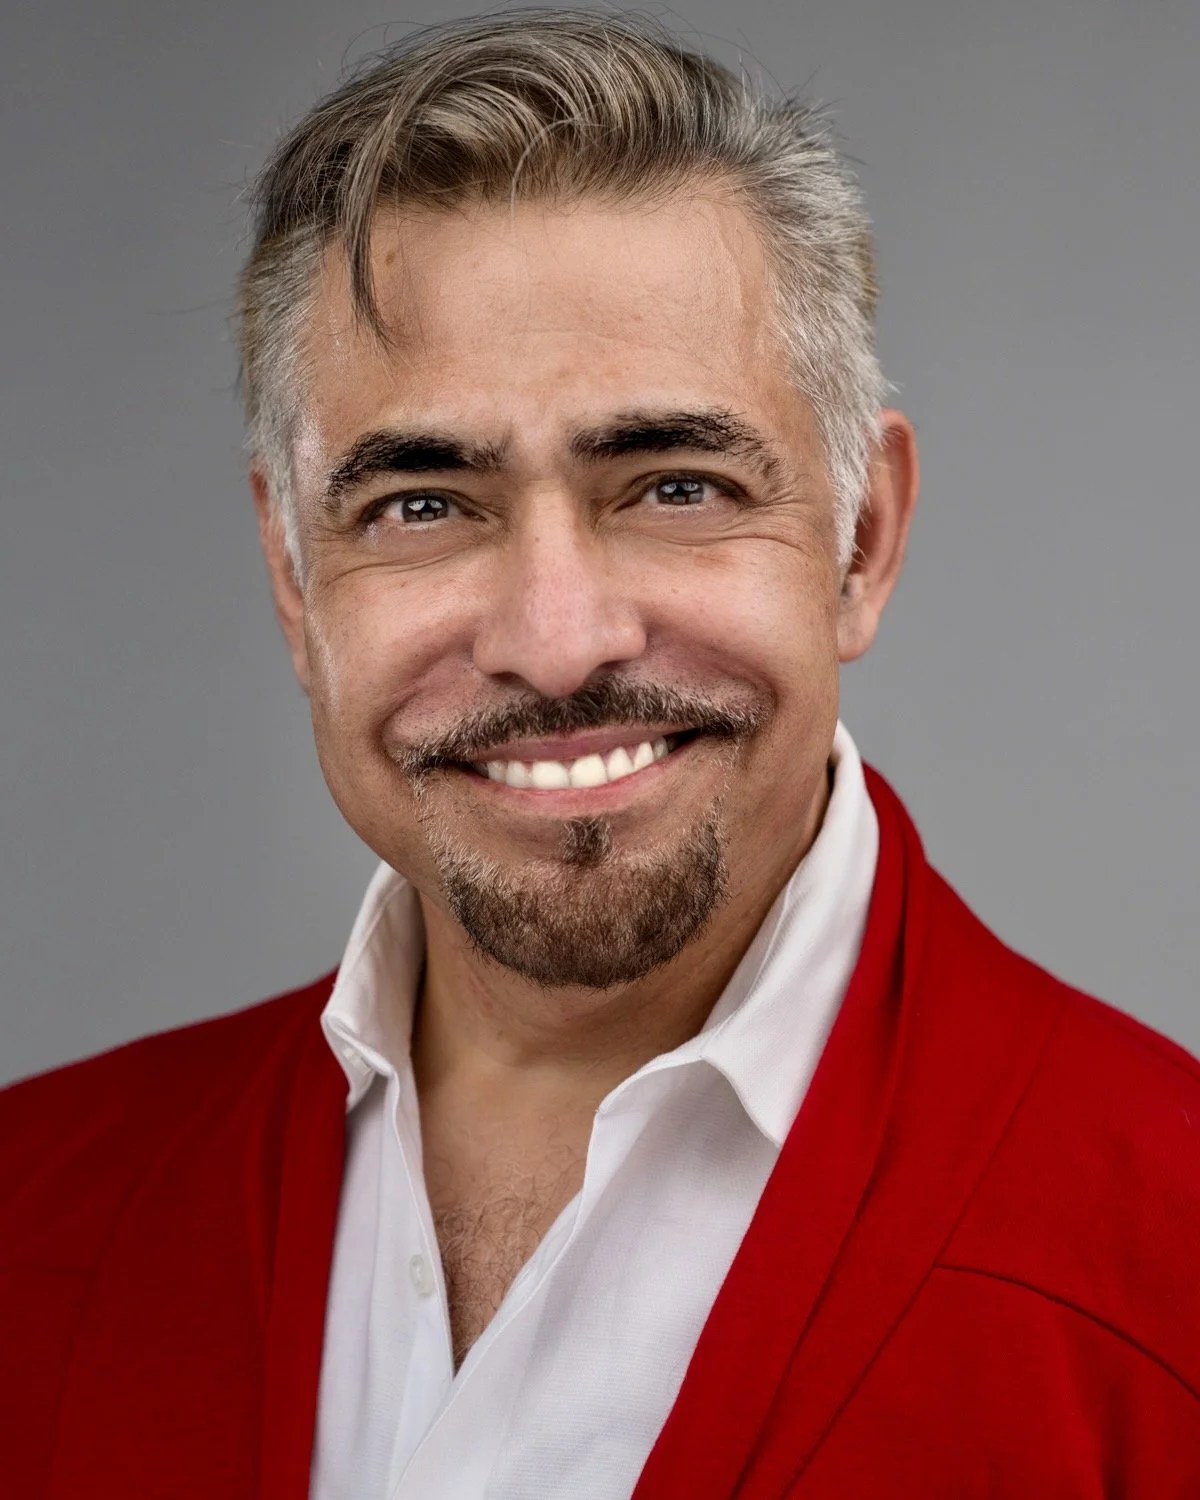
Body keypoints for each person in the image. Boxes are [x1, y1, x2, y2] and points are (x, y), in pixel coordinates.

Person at [4, 11, 1199, 1498]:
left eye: (675, 484)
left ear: (862, 541)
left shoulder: (1173, 1278)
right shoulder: (28, 1222)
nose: (557, 641)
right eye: (423, 504)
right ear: (294, 578)